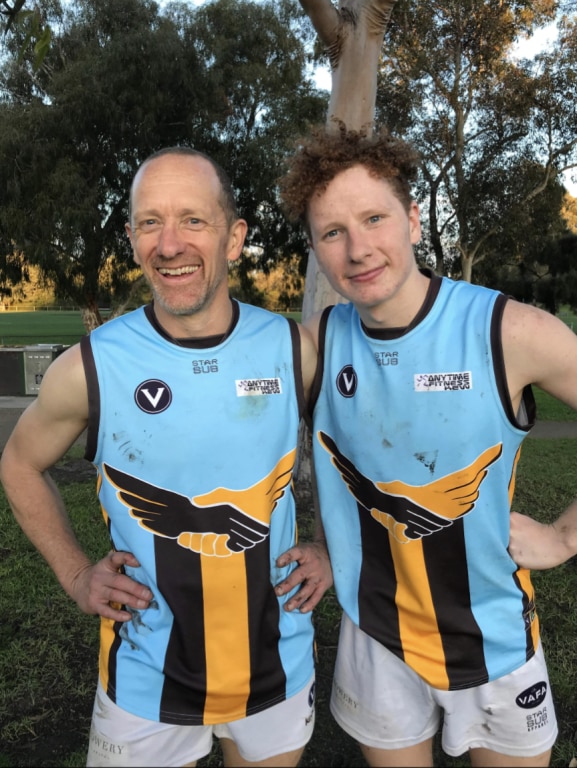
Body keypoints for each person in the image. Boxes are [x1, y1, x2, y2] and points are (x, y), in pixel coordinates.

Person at [0, 146, 332, 768]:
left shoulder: (295, 349)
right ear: (131, 239)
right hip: (145, 675)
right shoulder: (91, 366)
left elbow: (351, 454)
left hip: (277, 662)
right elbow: (19, 465)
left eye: (193, 221)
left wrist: (329, 546)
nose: (169, 243)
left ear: (234, 239)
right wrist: (76, 573)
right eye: (150, 222)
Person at [278, 124, 577, 767]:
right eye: (333, 233)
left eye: (375, 218)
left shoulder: (510, 331)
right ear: (316, 250)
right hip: (375, 633)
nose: (358, 249)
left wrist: (566, 536)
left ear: (414, 220)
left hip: (492, 635)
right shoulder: (317, 344)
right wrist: (330, 546)